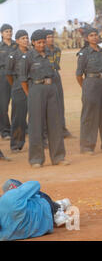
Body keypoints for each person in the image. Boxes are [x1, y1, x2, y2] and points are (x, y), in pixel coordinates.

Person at [19, 30, 69, 168]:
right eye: (38, 42)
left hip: (51, 88)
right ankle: (36, 159)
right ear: (33, 43)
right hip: (36, 89)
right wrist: (30, 94)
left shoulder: (50, 54)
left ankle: (58, 157)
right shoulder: (27, 57)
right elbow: (23, 79)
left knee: (55, 123)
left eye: (43, 42)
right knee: (36, 125)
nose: (41, 45)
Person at [0, 179, 72, 241]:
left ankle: (56, 206)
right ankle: (56, 209)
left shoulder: (2, 236)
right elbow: (35, 184)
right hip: (46, 210)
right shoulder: (8, 198)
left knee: (22, 200)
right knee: (23, 190)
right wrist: (16, 191)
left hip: (45, 227)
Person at [44, 30, 73, 138]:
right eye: (48, 37)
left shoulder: (57, 50)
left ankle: (62, 129)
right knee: (47, 105)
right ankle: (46, 132)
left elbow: (56, 65)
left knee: (60, 103)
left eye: (51, 37)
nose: (50, 39)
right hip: (46, 78)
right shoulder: (42, 51)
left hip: (56, 76)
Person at [5, 30, 29, 153]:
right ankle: (16, 144)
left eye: (27, 38)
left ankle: (42, 140)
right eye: (23, 38)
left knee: (37, 115)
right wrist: (16, 85)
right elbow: (8, 74)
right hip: (18, 87)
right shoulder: (12, 55)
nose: (26, 40)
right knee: (18, 117)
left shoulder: (32, 53)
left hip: (33, 87)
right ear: (18, 40)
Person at [0, 24, 17, 140]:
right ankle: (5, 131)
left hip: (16, 76)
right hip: (3, 76)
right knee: (3, 104)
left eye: (10, 31)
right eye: (6, 31)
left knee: (18, 103)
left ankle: (20, 128)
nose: (9, 33)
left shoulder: (17, 45)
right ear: (1, 33)